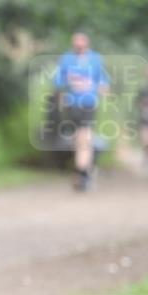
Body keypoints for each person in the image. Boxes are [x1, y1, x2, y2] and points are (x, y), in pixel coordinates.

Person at [53, 32, 109, 191]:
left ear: (87, 44)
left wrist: (99, 88)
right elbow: (58, 81)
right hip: (72, 105)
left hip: (89, 103)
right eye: (76, 45)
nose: (79, 47)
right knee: (79, 140)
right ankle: (84, 171)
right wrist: (62, 95)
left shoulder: (95, 59)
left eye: (81, 44)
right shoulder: (67, 59)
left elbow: (103, 82)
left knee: (84, 137)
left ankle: (82, 174)